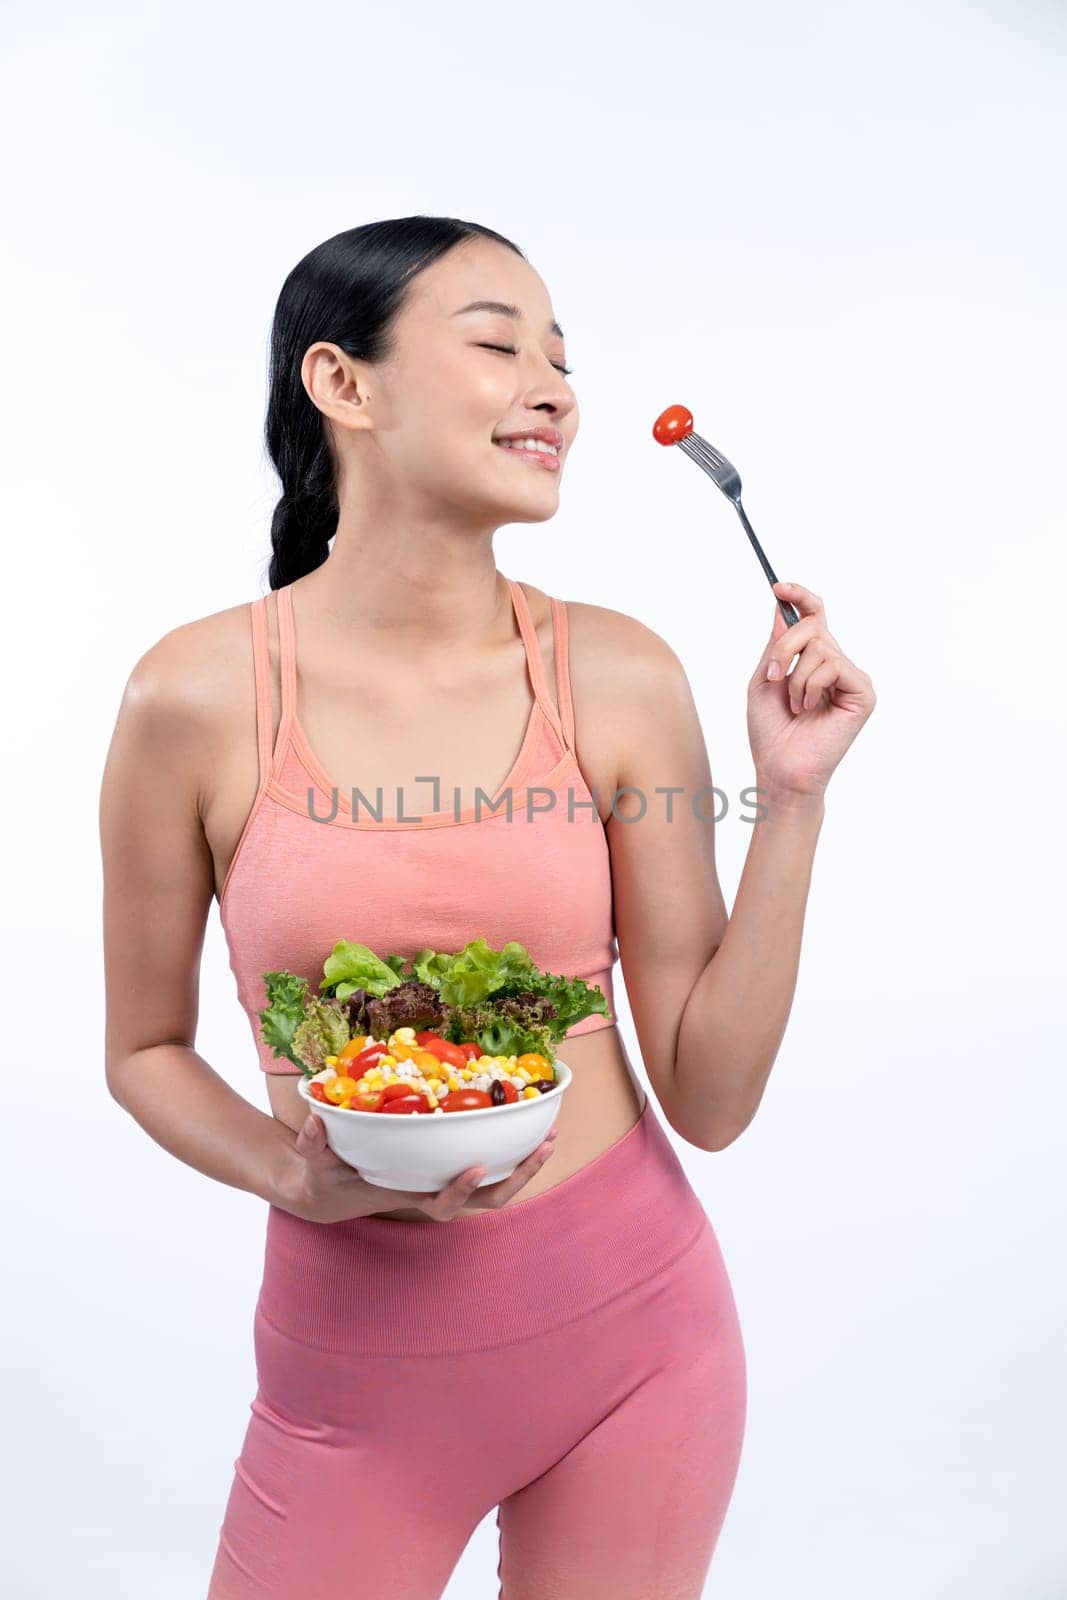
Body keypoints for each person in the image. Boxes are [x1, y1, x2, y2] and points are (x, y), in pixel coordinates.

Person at [100, 215, 876, 1600]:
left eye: (562, 357)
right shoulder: (193, 698)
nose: (556, 390)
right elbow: (142, 1050)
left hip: (639, 1348)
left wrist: (793, 795)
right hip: (351, 1382)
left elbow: (712, 1094)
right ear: (345, 386)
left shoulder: (620, 675)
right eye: (498, 344)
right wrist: (289, 1173)